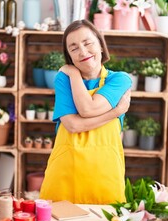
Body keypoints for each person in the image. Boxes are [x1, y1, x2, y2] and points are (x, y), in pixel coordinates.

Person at [39, 19, 132, 204]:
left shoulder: (120, 79)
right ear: (70, 57)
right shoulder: (64, 79)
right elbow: (72, 125)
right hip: (65, 175)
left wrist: (72, 73)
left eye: (88, 43)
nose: (83, 52)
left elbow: (88, 108)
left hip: (105, 176)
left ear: (101, 45)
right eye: (74, 48)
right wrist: (116, 111)